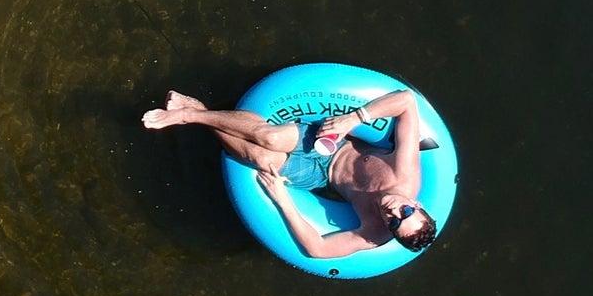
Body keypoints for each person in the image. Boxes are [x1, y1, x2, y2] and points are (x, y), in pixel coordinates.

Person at [142, 87, 436, 259]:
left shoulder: (375, 233)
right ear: (417, 204)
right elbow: (407, 102)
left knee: (259, 157)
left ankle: (201, 111)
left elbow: (317, 249)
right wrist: (353, 118)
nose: (393, 214)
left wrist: (283, 200)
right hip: (333, 142)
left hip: (319, 176)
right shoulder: (405, 173)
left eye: (395, 223)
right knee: (268, 138)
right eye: (406, 211)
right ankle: (187, 115)